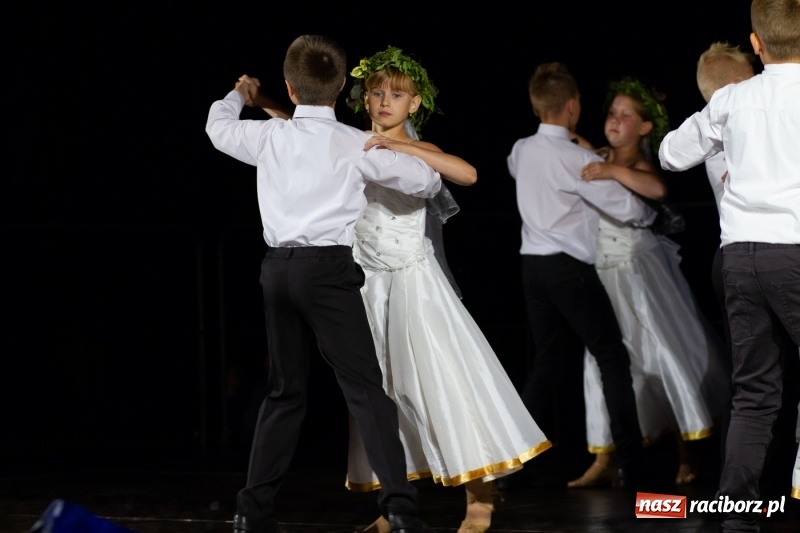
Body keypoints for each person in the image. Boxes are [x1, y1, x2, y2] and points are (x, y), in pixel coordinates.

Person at [205, 35, 442, 533]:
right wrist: (396, 145)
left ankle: (251, 511)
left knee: (284, 393)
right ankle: (399, 509)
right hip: (327, 273)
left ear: (289, 89)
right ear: (339, 91)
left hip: (277, 271)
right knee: (366, 392)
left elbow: (217, 127)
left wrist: (241, 93)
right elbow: (426, 182)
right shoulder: (353, 143)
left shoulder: (271, 137)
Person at [343, 46, 551, 533]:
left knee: (444, 383)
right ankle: (393, 504)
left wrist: (403, 148)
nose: (383, 101)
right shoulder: (351, 143)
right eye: (376, 92)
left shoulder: (420, 150)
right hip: (370, 285)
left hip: (415, 281)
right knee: (384, 393)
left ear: (414, 104)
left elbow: (469, 174)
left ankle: (480, 496)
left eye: (396, 94)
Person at [658, 2, 800, 530]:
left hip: (740, 257)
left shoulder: (733, 100)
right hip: (794, 251)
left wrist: (727, 128)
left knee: (755, 394)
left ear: (757, 44)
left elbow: (671, 154)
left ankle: (737, 516)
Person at [566, 77, 730, 489]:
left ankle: (686, 453)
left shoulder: (638, 165)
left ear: (643, 128)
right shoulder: (597, 154)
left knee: (661, 353)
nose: (615, 120)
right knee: (600, 364)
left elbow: (657, 188)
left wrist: (609, 168)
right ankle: (603, 455)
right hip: (601, 271)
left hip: (639, 273)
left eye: (626, 115)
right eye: (612, 113)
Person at [507, 62, 656, 489]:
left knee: (547, 365)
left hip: (532, 269)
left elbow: (517, 169)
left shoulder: (521, 150)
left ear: (537, 107)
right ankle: (632, 464)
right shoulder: (578, 159)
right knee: (612, 358)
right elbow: (631, 210)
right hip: (568, 268)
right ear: (573, 107)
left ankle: (511, 464)